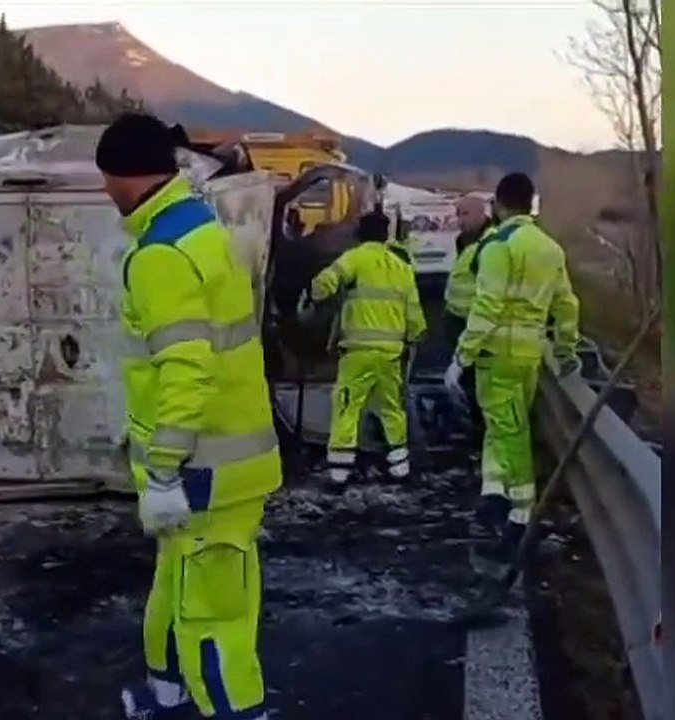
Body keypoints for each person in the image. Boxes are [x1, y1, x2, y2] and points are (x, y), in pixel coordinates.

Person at [96, 112, 281, 720]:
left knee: (212, 618)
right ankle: (167, 696)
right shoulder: (201, 227)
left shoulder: (161, 255)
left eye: (105, 176)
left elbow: (187, 369)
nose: (103, 188)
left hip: (203, 471)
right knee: (180, 582)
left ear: (126, 176)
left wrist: (165, 469)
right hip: (229, 461)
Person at [444, 173, 580, 550]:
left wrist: (461, 357)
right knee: (501, 425)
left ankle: (520, 513)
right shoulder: (550, 248)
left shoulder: (498, 246)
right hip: (529, 354)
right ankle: (494, 494)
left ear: (499, 205)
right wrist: (566, 350)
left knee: (511, 432)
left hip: (497, 356)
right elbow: (566, 305)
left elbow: (487, 307)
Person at [303, 210, 427, 484]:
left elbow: (324, 284)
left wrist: (312, 295)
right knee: (391, 409)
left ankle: (339, 471)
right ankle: (400, 466)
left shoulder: (354, 258)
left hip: (358, 351)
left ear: (359, 233)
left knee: (347, 406)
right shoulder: (401, 267)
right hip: (391, 354)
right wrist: (414, 337)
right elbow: (415, 313)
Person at [442, 194, 500, 439]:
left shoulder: (491, 243)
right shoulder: (463, 240)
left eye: (465, 214)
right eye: (458, 215)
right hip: (458, 318)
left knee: (475, 378)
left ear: (480, 213)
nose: (460, 220)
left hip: (476, 321)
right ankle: (469, 422)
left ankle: (478, 428)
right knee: (464, 377)